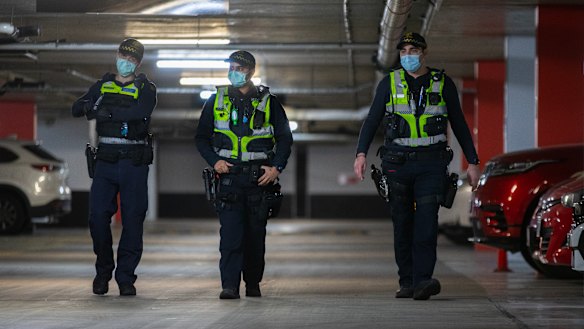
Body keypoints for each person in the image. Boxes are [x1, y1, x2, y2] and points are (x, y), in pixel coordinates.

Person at [353, 32, 481, 300]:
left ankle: (423, 280)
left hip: (431, 165)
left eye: (413, 50)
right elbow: (372, 119)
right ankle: (407, 281)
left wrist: (473, 161)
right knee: (402, 224)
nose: (408, 55)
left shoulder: (442, 83)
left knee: (426, 224)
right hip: (396, 164)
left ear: (424, 52)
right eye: (404, 51)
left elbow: (458, 123)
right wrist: (361, 154)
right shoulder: (389, 83)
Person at [195, 50, 293, 299]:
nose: (234, 72)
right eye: (231, 68)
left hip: (259, 180)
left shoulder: (269, 102)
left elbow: (284, 138)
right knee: (230, 237)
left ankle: (252, 283)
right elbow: (201, 138)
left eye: (239, 68)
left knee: (255, 237)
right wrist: (214, 160)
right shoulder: (215, 100)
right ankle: (229, 285)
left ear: (250, 71)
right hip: (229, 179)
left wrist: (276, 168)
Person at [71, 38, 157, 296]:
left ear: (138, 63)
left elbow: (140, 111)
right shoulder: (102, 85)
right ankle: (103, 271)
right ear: (117, 55)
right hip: (106, 160)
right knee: (97, 218)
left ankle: (125, 277)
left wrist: (104, 111)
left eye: (132, 59)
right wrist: (93, 106)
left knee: (133, 220)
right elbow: (77, 108)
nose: (126, 62)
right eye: (123, 56)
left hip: (133, 160)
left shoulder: (146, 88)